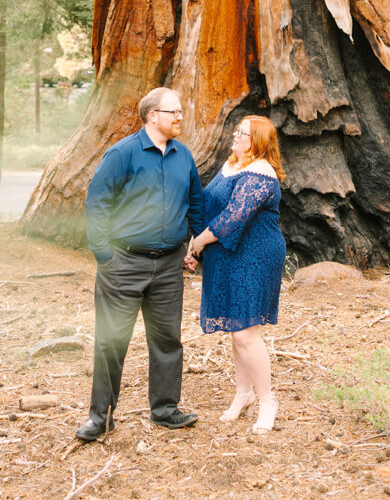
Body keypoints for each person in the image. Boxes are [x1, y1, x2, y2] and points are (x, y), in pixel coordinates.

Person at [75, 87, 204, 442]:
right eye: (173, 112)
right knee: (111, 342)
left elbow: (195, 205)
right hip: (124, 264)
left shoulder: (183, 156)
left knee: (167, 341)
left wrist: (194, 249)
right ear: (152, 116)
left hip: (168, 268)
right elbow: (97, 203)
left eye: (180, 111)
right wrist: (104, 255)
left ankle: (165, 410)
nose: (180, 117)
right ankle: (101, 417)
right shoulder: (122, 153)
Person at [186, 115, 286, 434]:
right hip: (229, 254)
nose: (235, 136)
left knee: (245, 331)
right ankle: (243, 395)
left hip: (255, 255)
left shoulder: (260, 172)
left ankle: (267, 401)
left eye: (242, 134)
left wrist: (199, 242)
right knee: (235, 327)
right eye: (236, 130)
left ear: (257, 143)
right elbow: (210, 203)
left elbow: (232, 218)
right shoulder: (233, 163)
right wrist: (193, 240)